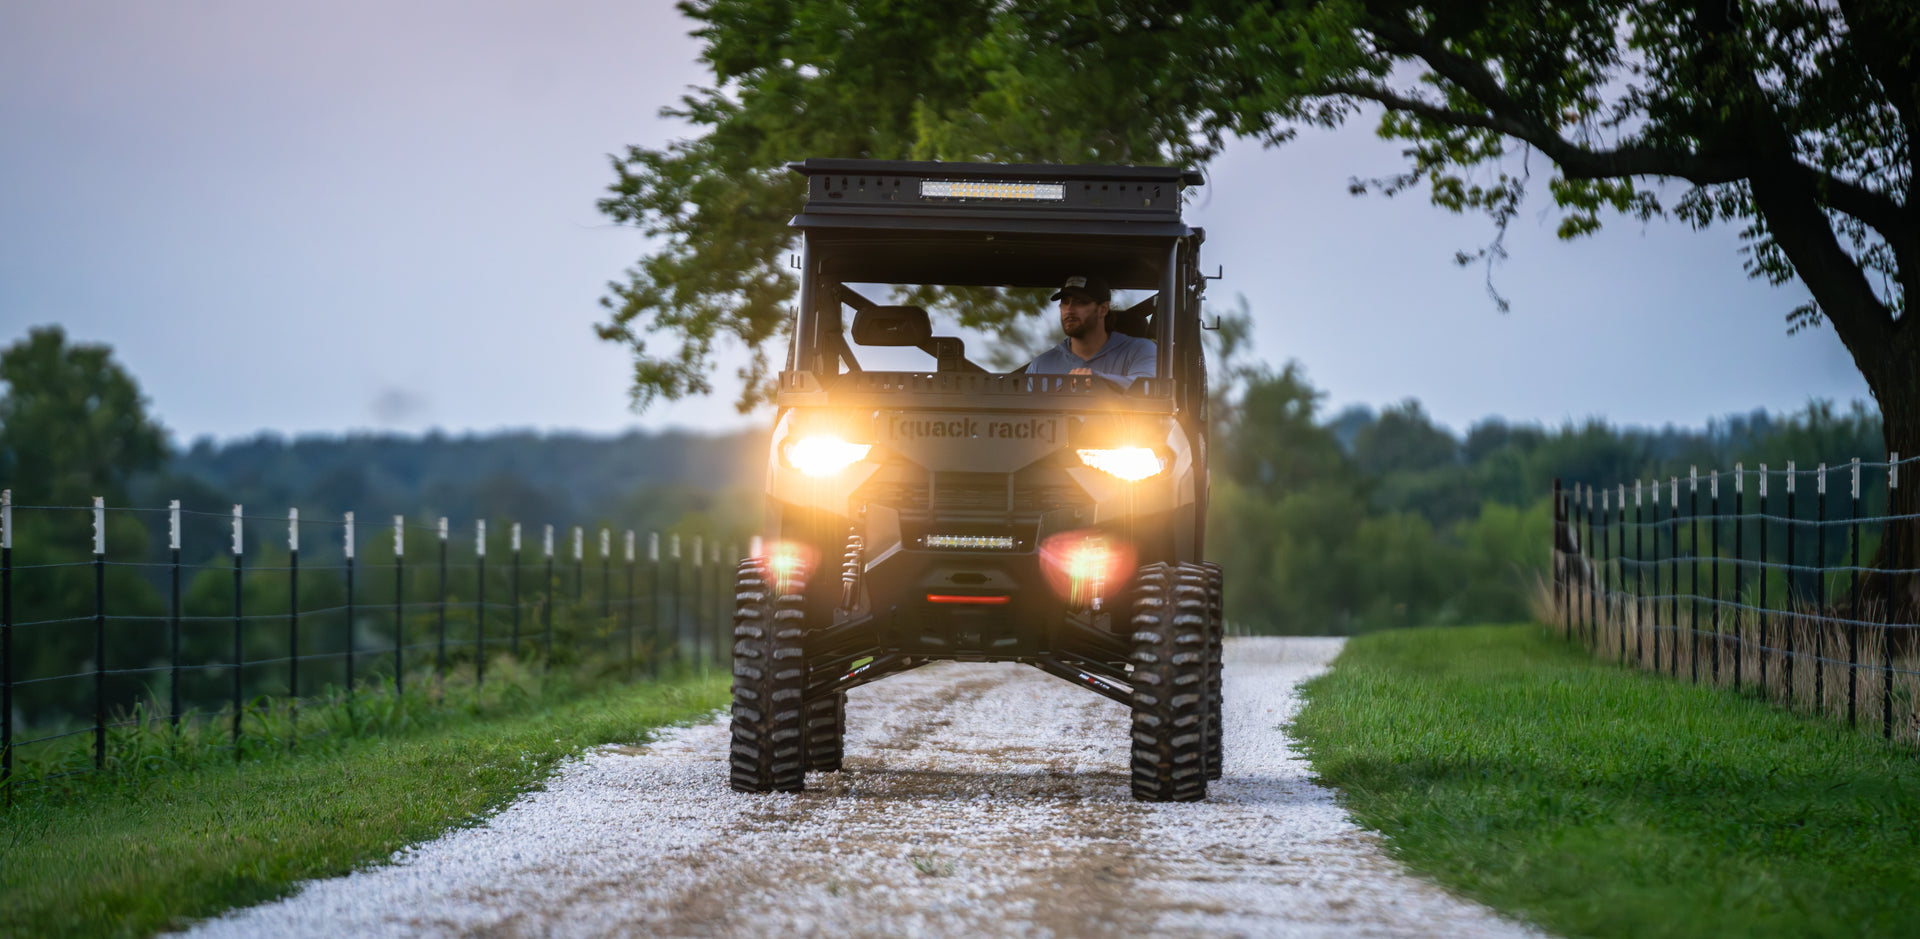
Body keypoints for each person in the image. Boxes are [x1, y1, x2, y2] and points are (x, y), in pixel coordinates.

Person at [1023, 275, 1157, 388]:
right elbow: (1023, 415)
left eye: (1080, 302)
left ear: (1103, 309)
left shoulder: (1140, 350)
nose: (1069, 310)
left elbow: (1146, 389)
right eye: (1065, 302)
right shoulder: (1040, 366)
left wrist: (1096, 380)